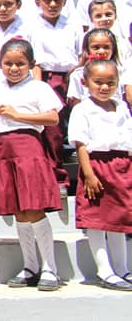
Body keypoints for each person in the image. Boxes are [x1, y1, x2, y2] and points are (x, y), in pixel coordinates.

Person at [0, 39, 63, 291]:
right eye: (8, 63)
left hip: (29, 148)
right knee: (19, 211)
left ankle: (50, 268)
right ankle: (30, 265)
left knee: (34, 208)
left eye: (20, 63)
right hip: (3, 150)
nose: (14, 68)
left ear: (31, 65)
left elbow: (52, 117)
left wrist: (16, 115)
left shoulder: (38, 87)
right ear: (0, 64)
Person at [68, 58, 132, 291]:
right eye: (98, 82)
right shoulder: (82, 109)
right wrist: (89, 174)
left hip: (121, 165)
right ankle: (104, 270)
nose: (104, 87)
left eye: (110, 83)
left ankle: (123, 268)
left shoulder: (121, 107)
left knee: (118, 220)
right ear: (86, 82)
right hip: (96, 166)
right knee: (97, 220)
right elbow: (81, 143)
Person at [31, 0, 81, 195]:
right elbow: (34, 59)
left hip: (72, 76)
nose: (52, 5)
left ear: (64, 1)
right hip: (46, 78)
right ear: (38, 2)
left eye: (57, 0)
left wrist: (74, 75)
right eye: (47, 0)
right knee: (53, 130)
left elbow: (81, 54)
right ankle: (56, 177)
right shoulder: (33, 26)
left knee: (77, 125)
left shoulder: (72, 25)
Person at [67, 29, 123, 106]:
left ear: (113, 49)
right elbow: (76, 102)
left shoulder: (121, 72)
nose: (101, 52)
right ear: (87, 50)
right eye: (96, 47)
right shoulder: (78, 74)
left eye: (106, 47)